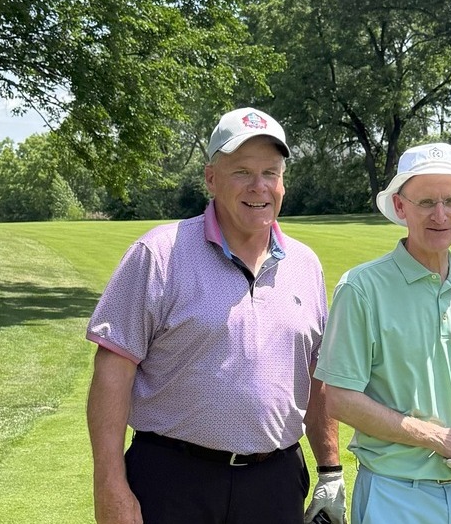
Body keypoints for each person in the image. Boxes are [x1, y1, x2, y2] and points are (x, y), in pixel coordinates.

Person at [85, 107, 345, 524]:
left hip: (275, 482)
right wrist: (109, 484)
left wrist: (330, 470)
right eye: (241, 171)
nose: (259, 186)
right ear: (211, 178)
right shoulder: (159, 254)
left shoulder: (305, 264)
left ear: (282, 182)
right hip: (173, 479)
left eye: (270, 173)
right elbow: (112, 372)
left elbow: (316, 375)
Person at [314, 143, 451, 524]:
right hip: (394, 494)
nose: (440, 214)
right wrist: (439, 437)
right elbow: (339, 399)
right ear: (400, 207)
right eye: (425, 202)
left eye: (450, 201)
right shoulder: (362, 287)